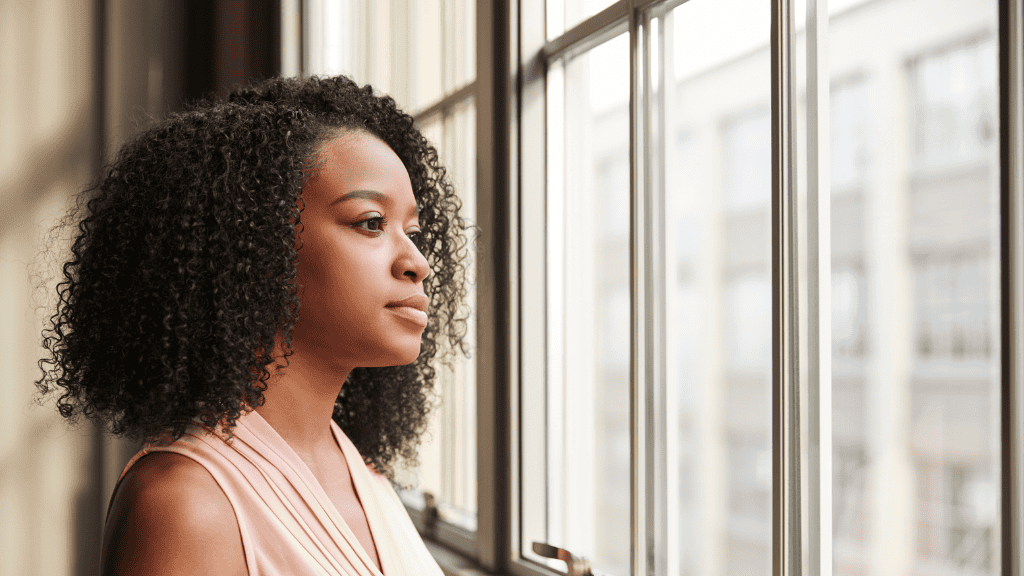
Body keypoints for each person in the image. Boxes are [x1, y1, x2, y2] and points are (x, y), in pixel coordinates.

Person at [36, 75, 471, 575]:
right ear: (256, 248)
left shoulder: (359, 469)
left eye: (412, 231)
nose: (418, 262)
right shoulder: (186, 506)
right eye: (371, 222)